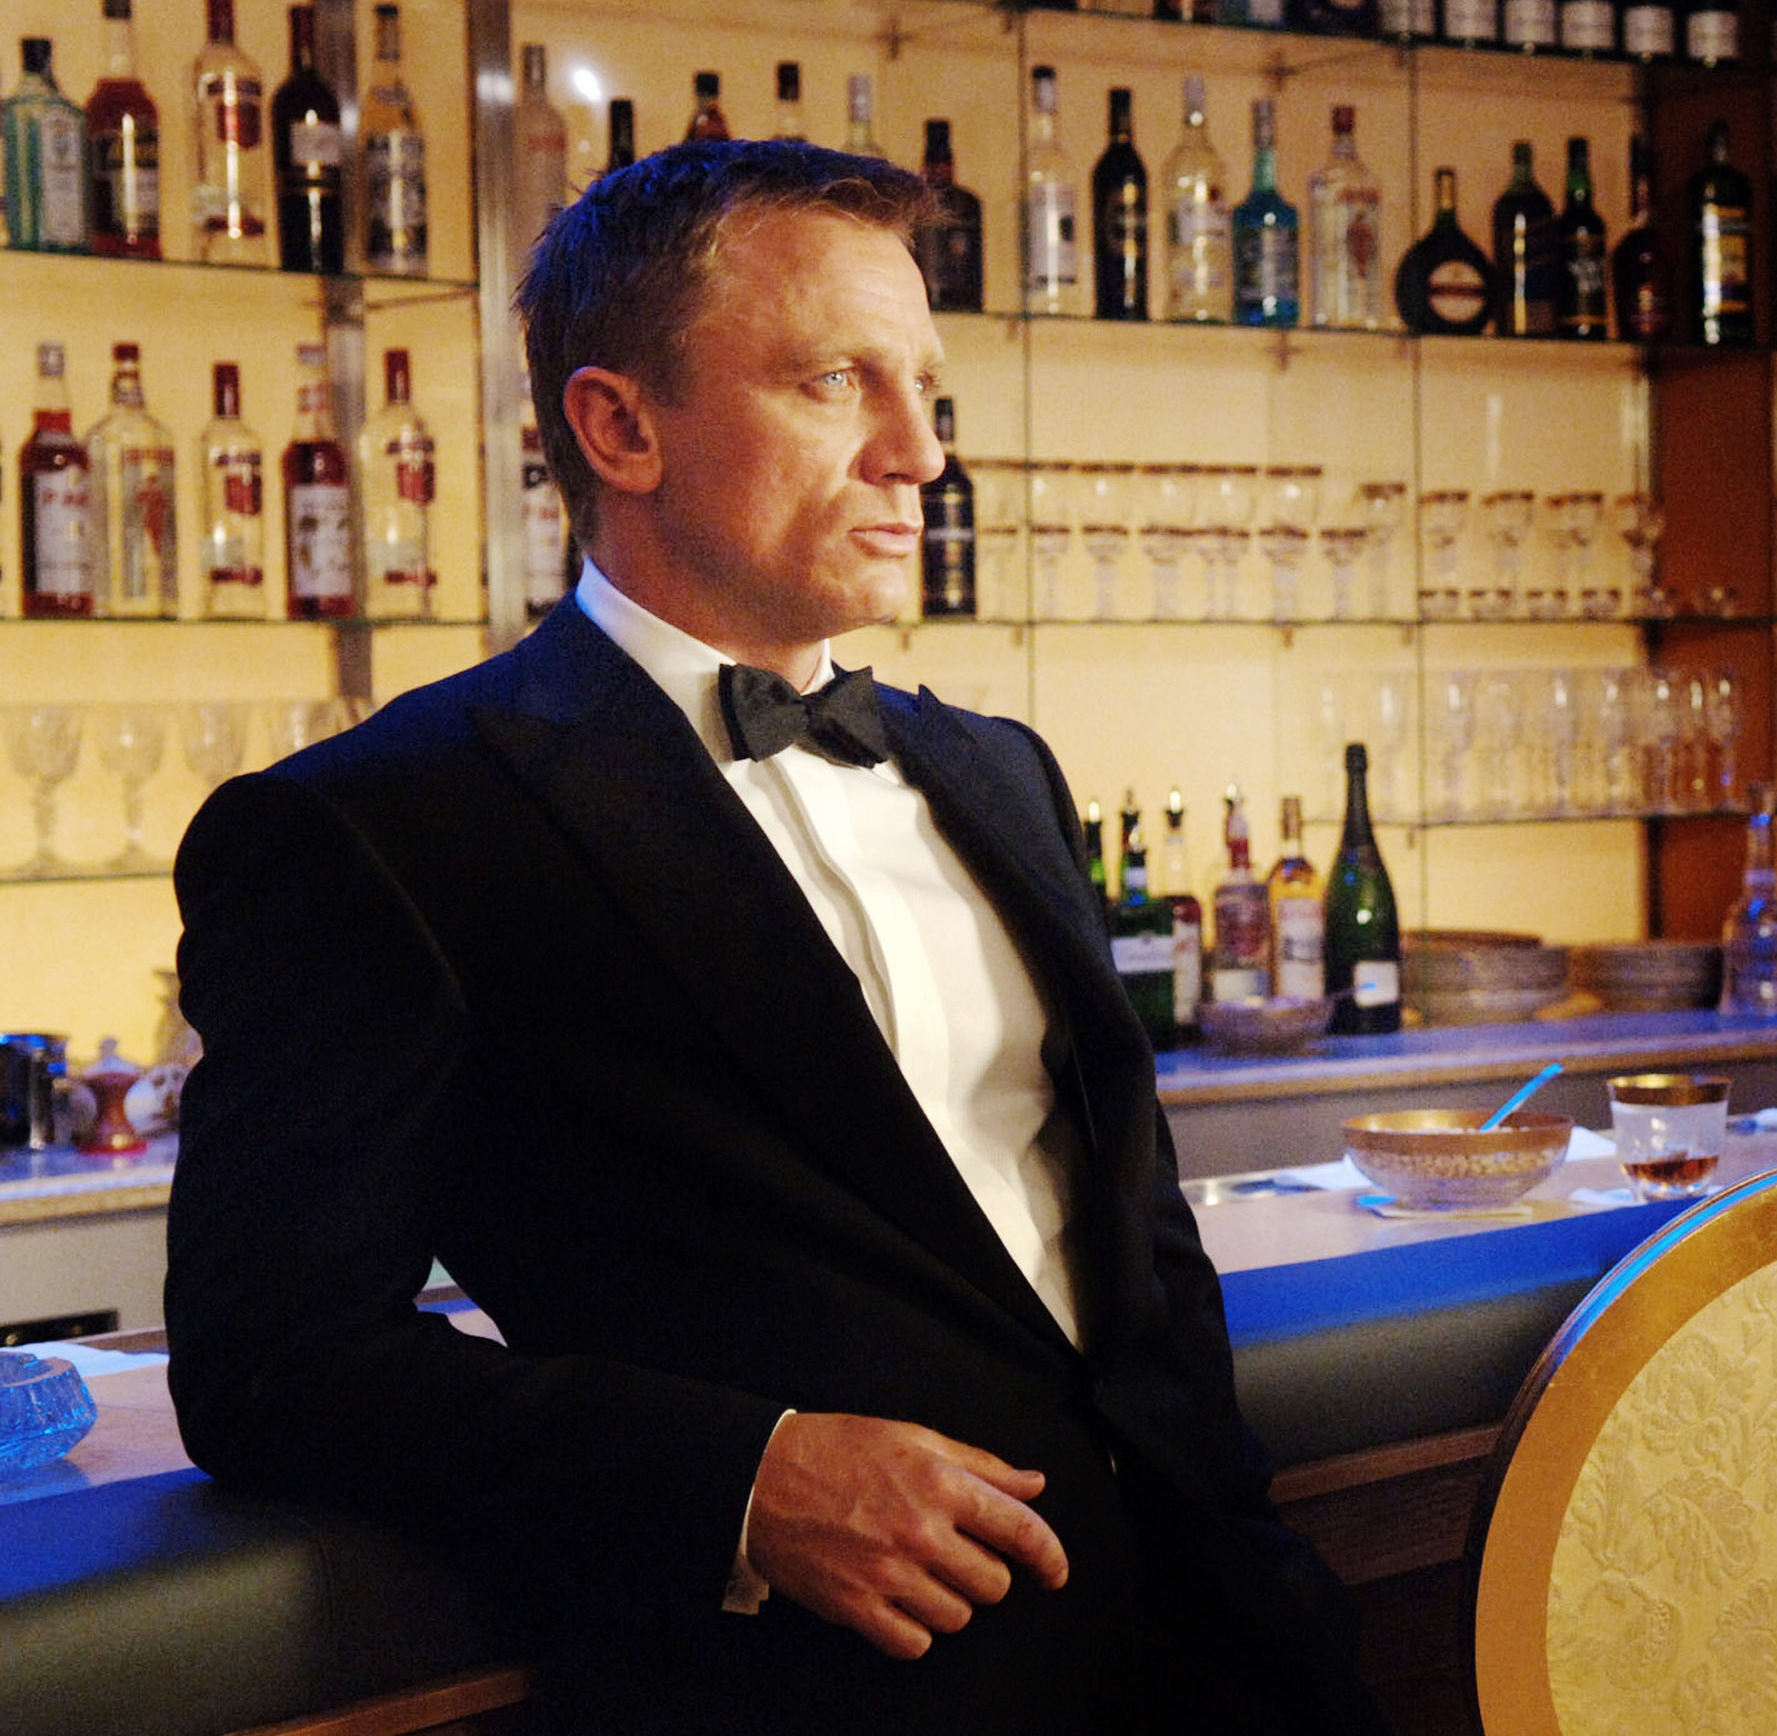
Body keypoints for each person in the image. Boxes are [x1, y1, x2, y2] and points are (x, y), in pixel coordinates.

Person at [165, 139, 1387, 1735]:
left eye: (926, 390)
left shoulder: (998, 772)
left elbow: (1138, 1246)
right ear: (618, 426)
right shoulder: (378, 824)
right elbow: (272, 1364)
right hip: (825, 1697)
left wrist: (1266, 1587)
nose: (919, 455)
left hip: (1221, 1653)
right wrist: (739, 1481)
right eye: (834, 382)